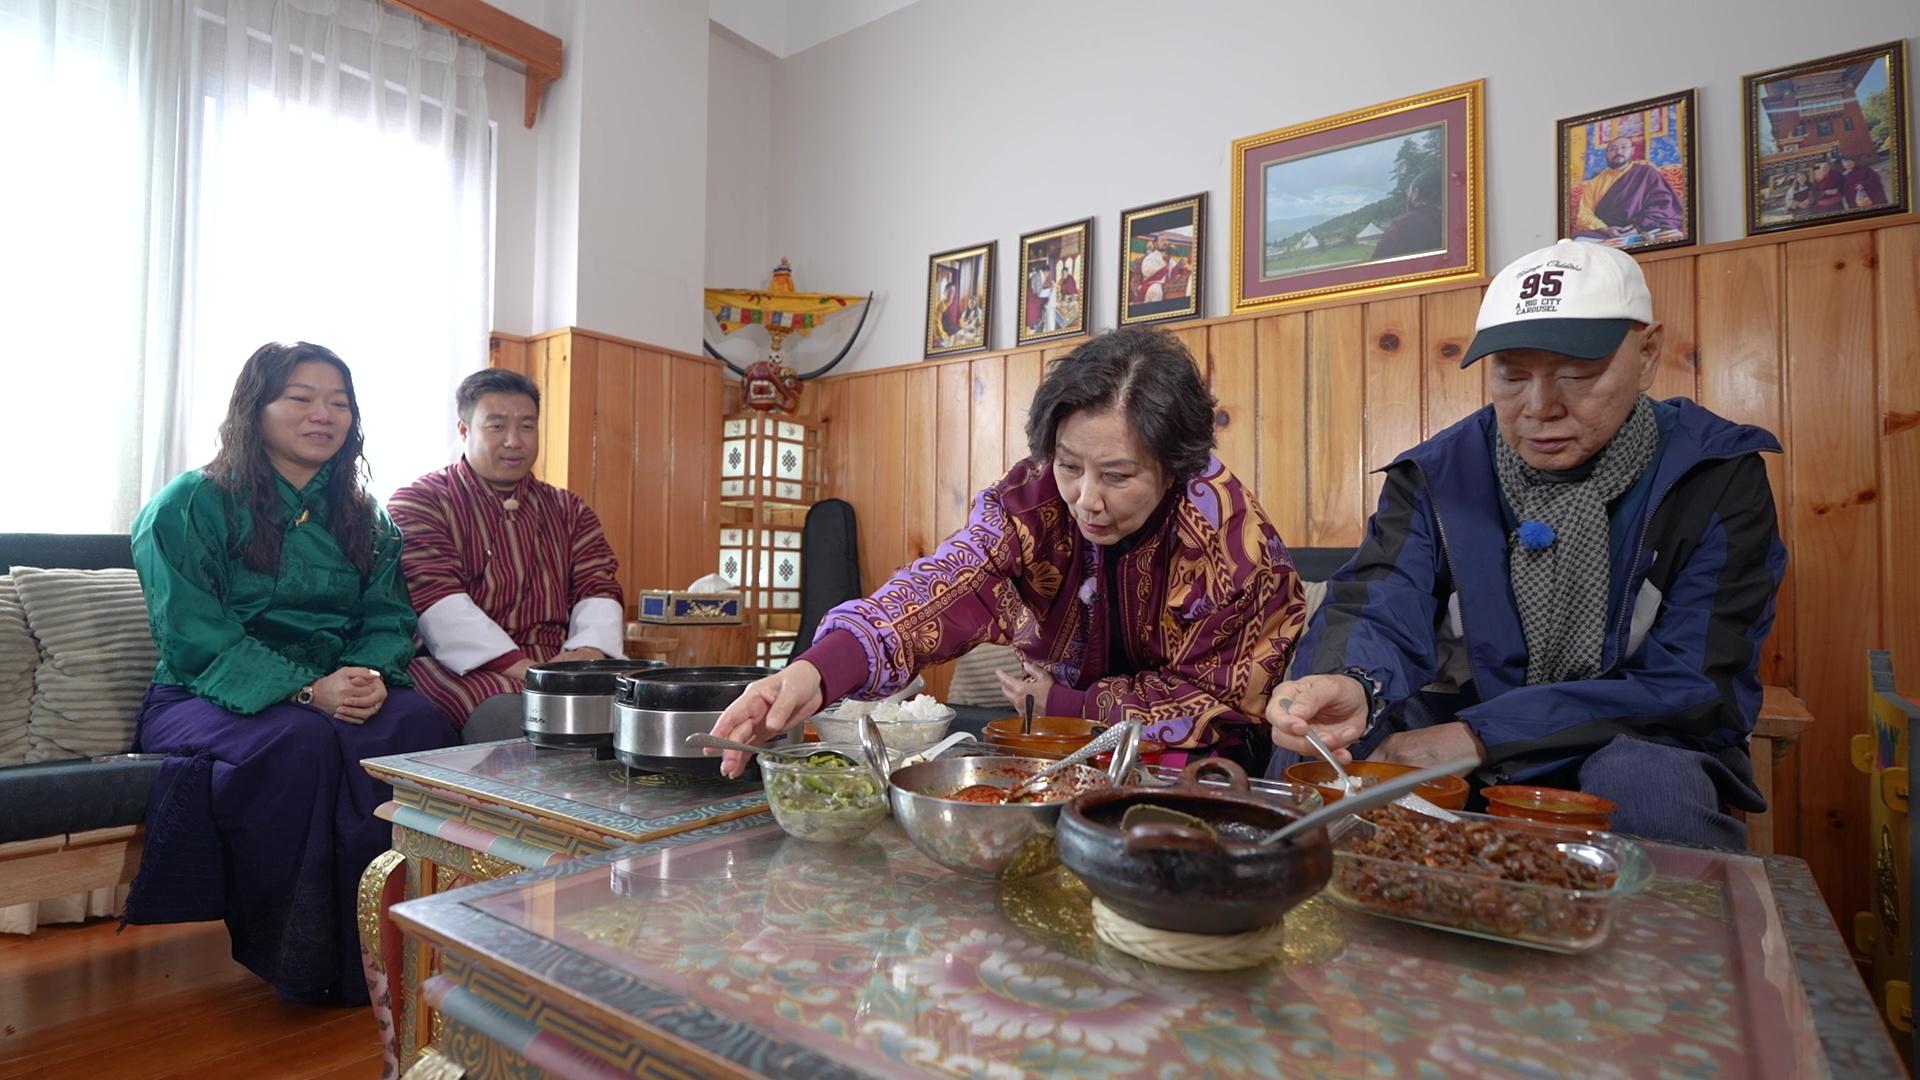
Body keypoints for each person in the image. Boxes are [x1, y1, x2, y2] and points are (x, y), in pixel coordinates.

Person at [1264, 240, 1785, 848]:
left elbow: (1698, 686)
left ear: (1646, 354)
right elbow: (1380, 597)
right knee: (1333, 755)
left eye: (1578, 373)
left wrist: (1484, 736)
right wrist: (1349, 681)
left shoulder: (1713, 474)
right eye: (1512, 374)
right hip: (1465, 711)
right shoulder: (1439, 474)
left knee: (1651, 787)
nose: (1540, 408)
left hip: (1633, 734)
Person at [710, 326, 1306, 777]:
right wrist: (818, 670)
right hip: (1054, 749)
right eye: (1070, 465)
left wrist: (1066, 700)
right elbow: (952, 580)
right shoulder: (1033, 499)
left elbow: (1220, 701)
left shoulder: (1233, 546)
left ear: (1176, 466)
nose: (1086, 500)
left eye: (1118, 476)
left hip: (1191, 772)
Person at [127, 341, 457, 1005]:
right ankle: (305, 958)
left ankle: (405, 943)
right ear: (257, 409)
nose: (322, 415)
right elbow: (194, 635)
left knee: (419, 722)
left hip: (336, 685)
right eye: (300, 398)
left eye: (338, 402)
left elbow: (390, 619)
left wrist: (363, 673)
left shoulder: (365, 517)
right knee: (298, 742)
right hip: (207, 692)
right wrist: (308, 690)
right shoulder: (190, 502)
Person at [387, 369, 626, 736]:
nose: (514, 441)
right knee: (515, 716)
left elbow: (598, 586)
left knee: (641, 704)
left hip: (562, 659)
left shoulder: (569, 509)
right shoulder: (421, 501)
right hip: (459, 665)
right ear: (464, 430)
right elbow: (436, 600)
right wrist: (532, 672)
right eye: (496, 426)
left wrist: (586, 656)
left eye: (527, 427)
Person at [1571, 136, 1684, 242]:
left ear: (1632, 151)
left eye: (1624, 147)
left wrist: (1638, 227)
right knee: (1578, 242)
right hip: (1608, 232)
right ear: (1606, 153)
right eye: (1613, 149)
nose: (1618, 152)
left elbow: (1663, 203)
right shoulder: (1595, 183)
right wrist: (1605, 229)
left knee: (1672, 235)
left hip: (1645, 227)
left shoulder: (1646, 173)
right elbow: (1584, 214)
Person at [1371, 166, 1446, 259]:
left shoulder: (1400, 229)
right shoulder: (1460, 219)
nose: (1408, 194)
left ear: (1415, 193)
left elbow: (1375, 269)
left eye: (1409, 191)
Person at [1136, 236, 1172, 303]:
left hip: (1168, 283)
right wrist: (1164, 265)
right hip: (1152, 283)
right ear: (1155, 244)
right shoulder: (1150, 257)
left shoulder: (1170, 259)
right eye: (1162, 240)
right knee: (1156, 290)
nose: (1165, 243)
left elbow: (1174, 271)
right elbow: (1146, 272)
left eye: (1166, 241)